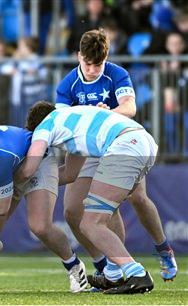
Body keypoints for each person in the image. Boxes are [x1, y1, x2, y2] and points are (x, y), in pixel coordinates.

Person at [56, 28, 177, 283]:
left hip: (118, 142)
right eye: (88, 64)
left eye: (98, 64)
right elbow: (63, 121)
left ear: (106, 58)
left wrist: (107, 113)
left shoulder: (116, 74)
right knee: (71, 211)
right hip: (88, 148)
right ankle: (105, 266)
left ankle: (162, 249)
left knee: (138, 199)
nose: (92, 70)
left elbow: (130, 108)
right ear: (78, 56)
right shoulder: (67, 84)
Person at [19, 101, 156, 294]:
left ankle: (137, 274)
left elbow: (29, 169)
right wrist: (41, 182)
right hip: (144, 142)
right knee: (102, 218)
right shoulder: (70, 119)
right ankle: (113, 276)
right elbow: (69, 174)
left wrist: (12, 182)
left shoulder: (44, 127)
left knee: (91, 224)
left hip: (124, 147)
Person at [0, 126, 87, 293]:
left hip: (37, 161)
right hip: (10, 164)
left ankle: (75, 266)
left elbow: (1, 208)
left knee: (40, 226)